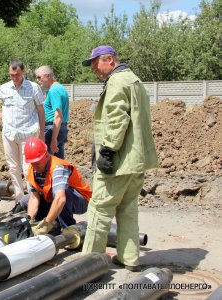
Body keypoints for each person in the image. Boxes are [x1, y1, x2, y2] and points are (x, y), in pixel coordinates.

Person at [80, 45, 158, 272]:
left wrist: (106, 150)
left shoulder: (116, 82)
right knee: (128, 209)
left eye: (96, 63)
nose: (94, 68)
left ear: (110, 60)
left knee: (99, 209)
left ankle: (88, 264)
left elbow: (116, 119)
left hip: (119, 161)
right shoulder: (135, 80)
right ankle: (129, 258)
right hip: (136, 160)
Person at [0, 60, 45, 203]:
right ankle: (20, 201)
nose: (14, 77)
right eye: (11, 75)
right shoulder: (5, 88)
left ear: (23, 72)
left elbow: (40, 111)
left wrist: (42, 133)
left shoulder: (33, 88)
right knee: (13, 168)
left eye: (17, 74)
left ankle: (33, 201)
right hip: (9, 134)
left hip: (28, 134)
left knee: (28, 168)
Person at [18, 137, 91, 236]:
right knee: (25, 200)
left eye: (37, 162)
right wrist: (29, 220)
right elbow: (34, 198)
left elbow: (60, 199)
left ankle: (68, 230)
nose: (35, 165)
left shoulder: (58, 168)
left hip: (81, 200)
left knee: (63, 196)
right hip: (54, 197)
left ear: (46, 155)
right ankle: (50, 223)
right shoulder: (33, 169)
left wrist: (46, 224)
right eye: (32, 162)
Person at [35, 65, 70, 159]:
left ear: (48, 76)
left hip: (52, 129)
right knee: (58, 161)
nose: (37, 80)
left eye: (39, 77)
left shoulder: (54, 90)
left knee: (45, 161)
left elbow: (58, 115)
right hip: (59, 128)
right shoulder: (60, 88)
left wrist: (54, 139)